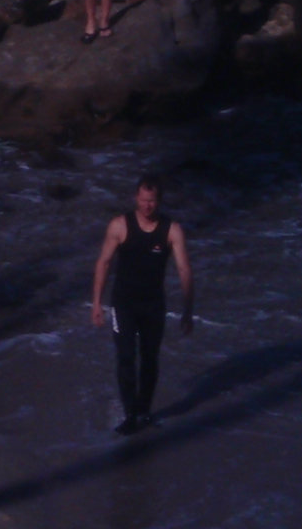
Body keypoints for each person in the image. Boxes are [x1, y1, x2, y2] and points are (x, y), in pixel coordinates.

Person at [89, 172, 192, 435]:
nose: (147, 206)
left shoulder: (171, 230)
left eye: (152, 201)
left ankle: (144, 412)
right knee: (125, 357)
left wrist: (188, 310)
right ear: (136, 198)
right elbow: (104, 262)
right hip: (123, 303)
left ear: (159, 201)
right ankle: (130, 415)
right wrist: (96, 303)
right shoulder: (119, 226)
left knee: (149, 359)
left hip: (153, 305)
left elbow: (183, 269)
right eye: (143, 200)